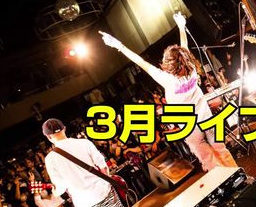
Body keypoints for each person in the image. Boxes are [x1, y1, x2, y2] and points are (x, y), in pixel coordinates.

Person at [99, 13, 238, 172]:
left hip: (189, 126)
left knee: (207, 158)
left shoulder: (166, 79)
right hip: (207, 118)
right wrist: (181, 26)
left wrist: (119, 45)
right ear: (185, 58)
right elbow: (184, 47)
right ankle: (238, 176)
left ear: (167, 63)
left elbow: (140, 61)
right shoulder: (191, 69)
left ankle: (226, 181)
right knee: (221, 149)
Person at [42, 118, 145, 207]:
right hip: (103, 191)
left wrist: (55, 191)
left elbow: (60, 188)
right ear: (64, 128)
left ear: (48, 137)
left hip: (84, 202)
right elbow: (103, 166)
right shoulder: (84, 143)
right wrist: (104, 183)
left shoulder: (51, 159)